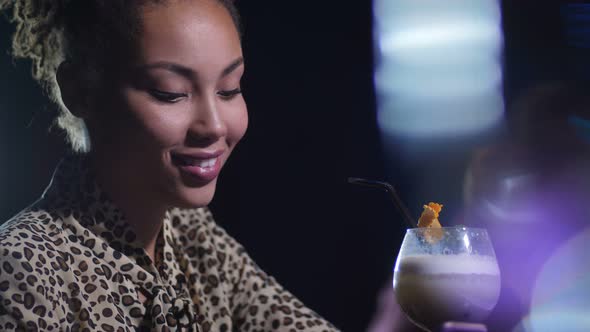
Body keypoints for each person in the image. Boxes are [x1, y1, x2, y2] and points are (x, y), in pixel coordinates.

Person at [0, 1, 339, 331]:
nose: (215, 126)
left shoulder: (192, 234)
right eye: (170, 92)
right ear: (80, 90)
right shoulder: (20, 266)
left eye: (229, 89)